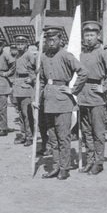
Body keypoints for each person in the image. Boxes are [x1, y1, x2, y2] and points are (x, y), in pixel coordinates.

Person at [39, 26, 87, 180]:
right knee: (52, 136)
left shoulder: (66, 55)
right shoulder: (44, 57)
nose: (51, 42)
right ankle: (56, 165)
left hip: (62, 100)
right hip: (48, 101)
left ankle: (65, 168)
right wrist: (37, 99)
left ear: (60, 40)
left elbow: (83, 72)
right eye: (48, 39)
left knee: (63, 136)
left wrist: (73, 90)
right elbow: (41, 80)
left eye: (54, 39)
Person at [77, 21, 107, 175]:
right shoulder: (81, 53)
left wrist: (105, 87)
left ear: (98, 36)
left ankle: (99, 162)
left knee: (98, 132)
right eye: (86, 35)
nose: (89, 38)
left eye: (92, 35)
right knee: (86, 131)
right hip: (83, 96)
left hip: (96, 97)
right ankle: (89, 160)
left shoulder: (102, 53)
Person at [11, 34, 37, 146]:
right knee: (21, 113)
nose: (20, 46)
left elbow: (37, 69)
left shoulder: (29, 55)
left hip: (26, 87)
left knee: (27, 113)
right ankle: (24, 134)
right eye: (18, 44)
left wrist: (31, 78)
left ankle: (30, 136)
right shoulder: (17, 55)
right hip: (18, 85)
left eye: (22, 44)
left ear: (27, 44)